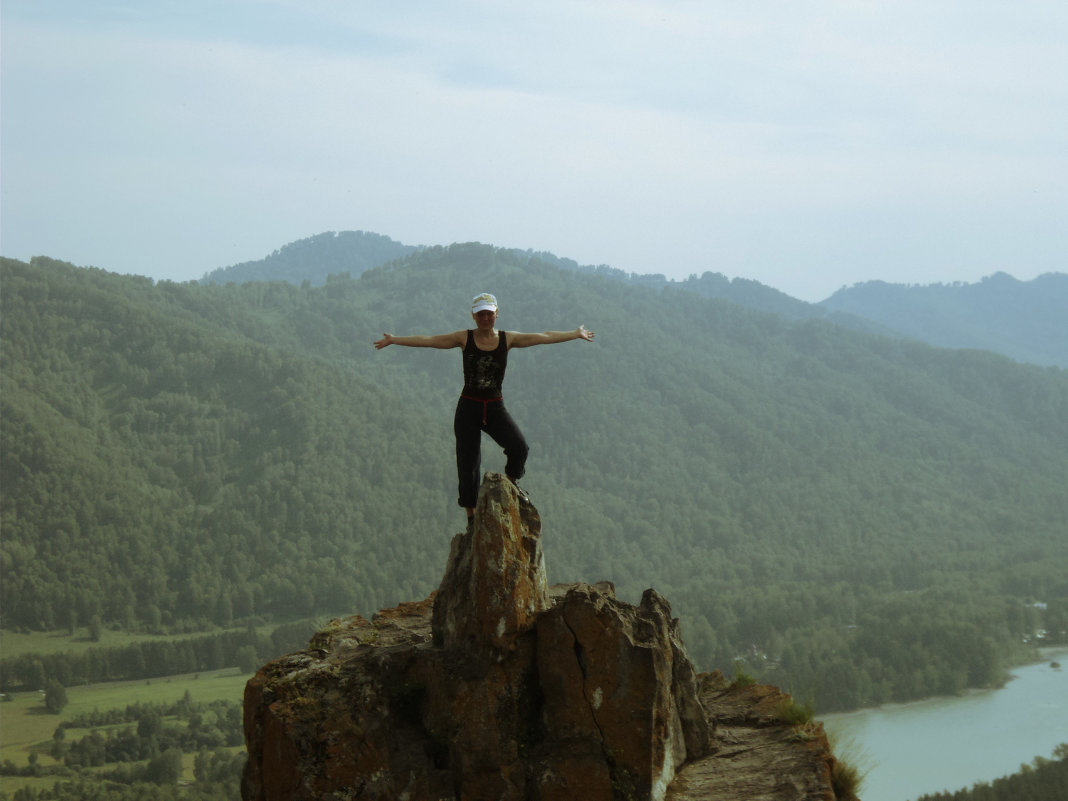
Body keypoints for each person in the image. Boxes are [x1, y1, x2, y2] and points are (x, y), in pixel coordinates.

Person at [374, 292, 595, 526]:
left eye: (489, 313)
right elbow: (429, 340)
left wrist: (575, 334)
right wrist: (395, 339)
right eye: (481, 314)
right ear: (474, 316)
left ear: (497, 314)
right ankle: (472, 517)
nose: (485, 318)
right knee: (468, 464)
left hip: (494, 407)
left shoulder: (507, 339)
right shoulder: (464, 338)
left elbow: (543, 336)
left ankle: (510, 485)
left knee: (519, 446)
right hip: (468, 407)